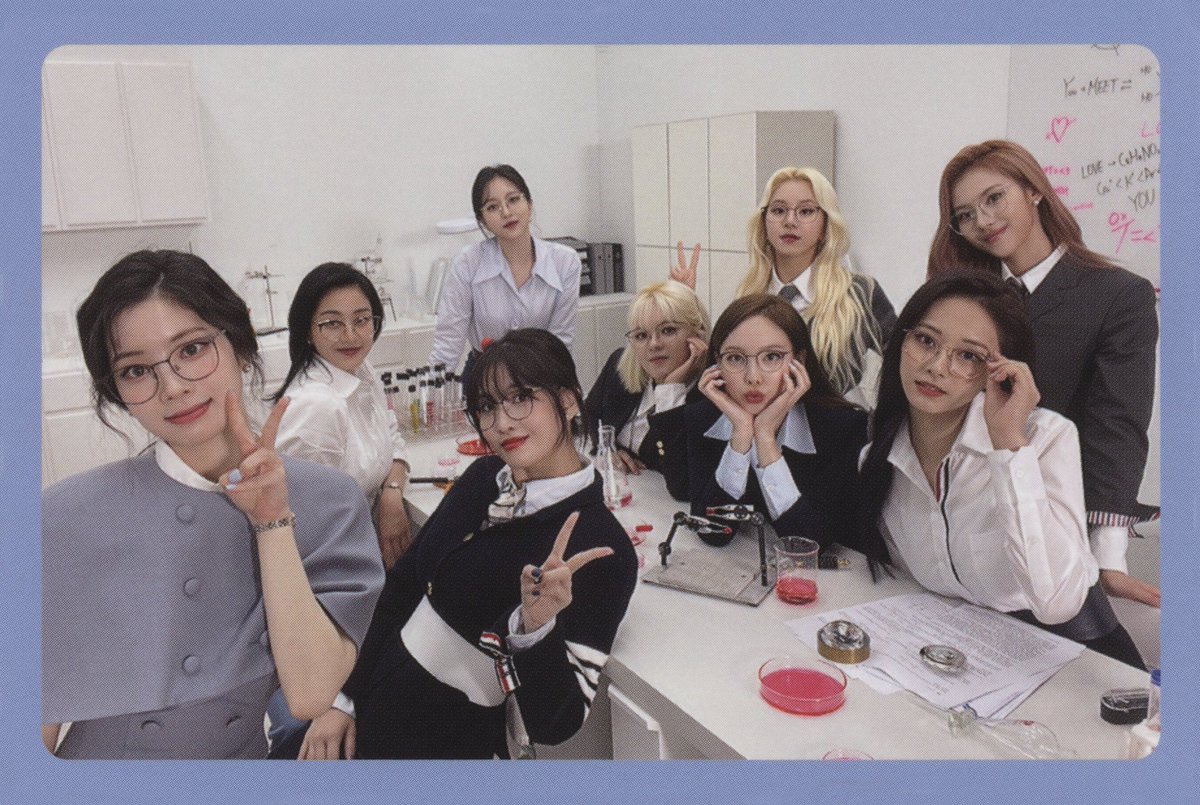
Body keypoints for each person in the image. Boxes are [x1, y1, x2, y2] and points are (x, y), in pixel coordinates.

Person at [41, 250, 384, 758]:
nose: (173, 387)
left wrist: (272, 521)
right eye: (135, 371)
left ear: (239, 341)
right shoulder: (67, 516)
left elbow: (311, 692)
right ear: (115, 391)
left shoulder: (327, 501)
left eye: (193, 348)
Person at [293, 328, 638, 760]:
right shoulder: (483, 478)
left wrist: (535, 629)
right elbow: (402, 585)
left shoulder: (603, 546)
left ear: (568, 400)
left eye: (520, 398)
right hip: (370, 700)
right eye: (487, 406)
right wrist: (345, 699)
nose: (501, 423)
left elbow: (556, 722)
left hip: (441, 741)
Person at [857, 270, 1142, 667]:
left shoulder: (1044, 438)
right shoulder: (880, 454)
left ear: (999, 371)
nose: (937, 366)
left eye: (968, 356)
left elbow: (1057, 603)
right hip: (963, 654)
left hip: (1072, 657)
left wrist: (1008, 444)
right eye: (925, 340)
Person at [928, 139, 1160, 608]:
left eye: (994, 198)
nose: (983, 222)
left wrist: (1106, 557)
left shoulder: (1117, 295)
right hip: (960, 527)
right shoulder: (967, 298)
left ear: (1034, 190)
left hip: (1051, 526)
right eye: (965, 215)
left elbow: (1116, 427)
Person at [675, 167, 896, 406]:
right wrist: (682, 308)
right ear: (764, 223)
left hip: (836, 427)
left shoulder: (859, 293)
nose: (790, 222)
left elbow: (901, 364)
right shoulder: (749, 295)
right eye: (779, 210)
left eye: (806, 211)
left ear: (825, 227)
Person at [672, 294, 866, 548]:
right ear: (717, 364)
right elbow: (713, 534)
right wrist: (741, 434)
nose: (753, 377)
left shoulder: (842, 427)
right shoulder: (701, 417)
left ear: (799, 361)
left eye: (772, 357)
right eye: (735, 358)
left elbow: (809, 546)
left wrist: (765, 438)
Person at [272, 262, 411, 570]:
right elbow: (304, 527)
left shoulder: (361, 370)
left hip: (365, 545)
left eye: (361, 320)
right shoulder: (317, 405)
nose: (351, 335)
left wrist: (391, 494)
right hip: (331, 570)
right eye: (332, 323)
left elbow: (393, 439)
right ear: (308, 331)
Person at [428, 164, 582, 384]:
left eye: (513, 200)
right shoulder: (468, 262)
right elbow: (448, 343)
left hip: (541, 375)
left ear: (529, 204)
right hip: (484, 378)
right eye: (493, 207)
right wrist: (432, 395)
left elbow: (560, 343)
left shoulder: (565, 262)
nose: (506, 212)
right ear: (483, 221)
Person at [584, 280, 708, 499]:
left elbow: (684, 486)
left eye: (668, 330)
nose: (653, 345)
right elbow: (591, 414)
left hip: (667, 507)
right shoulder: (619, 366)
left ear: (698, 334)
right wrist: (608, 449)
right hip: (623, 497)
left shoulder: (709, 397)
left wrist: (670, 390)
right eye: (641, 335)